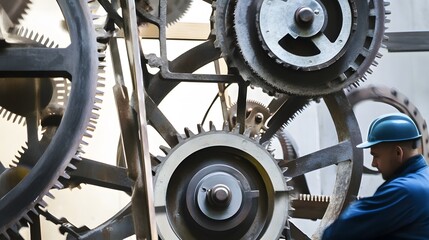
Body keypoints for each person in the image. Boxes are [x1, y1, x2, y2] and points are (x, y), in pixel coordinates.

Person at [322, 112, 429, 240]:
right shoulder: (423, 179)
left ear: (397, 152)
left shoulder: (404, 190)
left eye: (376, 155)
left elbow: (337, 233)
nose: (373, 163)